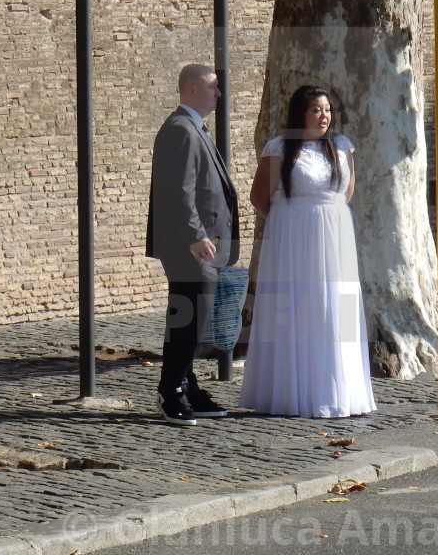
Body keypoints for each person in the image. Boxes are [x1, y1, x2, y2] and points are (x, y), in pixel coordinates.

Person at [239, 85, 376, 418]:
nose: (324, 116)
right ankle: (291, 390)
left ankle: (336, 389)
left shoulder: (342, 147)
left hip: (335, 236)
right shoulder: (281, 148)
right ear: (300, 113)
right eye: (316, 109)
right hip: (292, 240)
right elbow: (260, 196)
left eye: (327, 110)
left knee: (333, 307)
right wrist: (291, 225)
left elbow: (346, 192)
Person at [146, 64, 239, 425]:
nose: (219, 94)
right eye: (213, 87)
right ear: (191, 90)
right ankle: (171, 392)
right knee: (188, 319)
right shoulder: (180, 130)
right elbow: (177, 191)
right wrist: (195, 235)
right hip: (191, 247)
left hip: (200, 244)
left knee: (190, 319)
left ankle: (187, 385)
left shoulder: (193, 128)